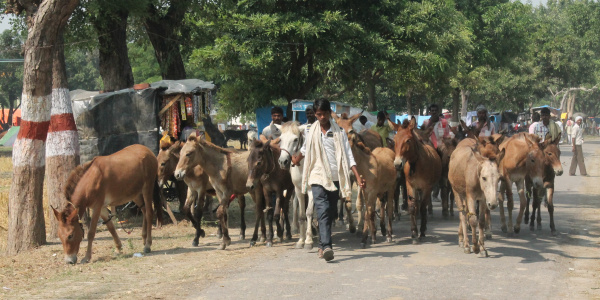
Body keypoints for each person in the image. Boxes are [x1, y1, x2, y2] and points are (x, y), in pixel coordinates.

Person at [291, 98, 364, 262]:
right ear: (315, 114)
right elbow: (305, 148)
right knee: (323, 210)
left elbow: (348, 155)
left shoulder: (339, 133)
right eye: (318, 114)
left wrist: (358, 177)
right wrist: (296, 159)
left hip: (335, 177)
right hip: (317, 175)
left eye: (324, 114)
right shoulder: (312, 131)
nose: (322, 117)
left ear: (329, 114)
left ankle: (322, 243)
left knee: (329, 212)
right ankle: (328, 247)